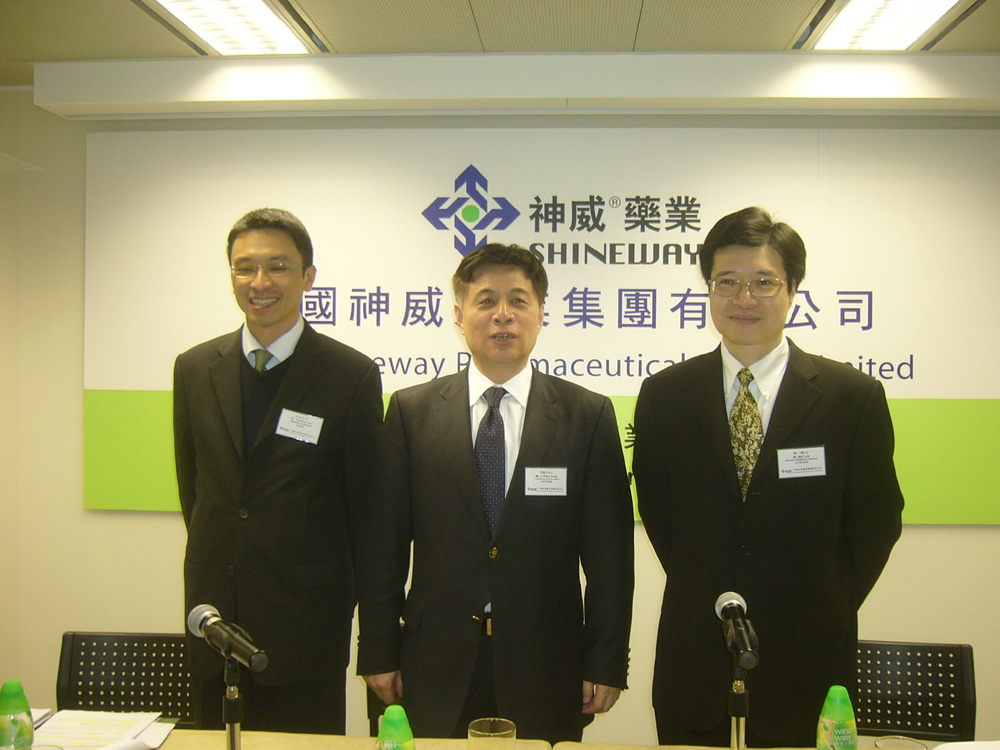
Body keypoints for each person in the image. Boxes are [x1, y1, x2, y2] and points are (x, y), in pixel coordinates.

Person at [632, 206, 904, 747]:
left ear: (793, 289)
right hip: (696, 661)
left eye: (763, 282)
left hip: (808, 660)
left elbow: (876, 523)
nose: (744, 298)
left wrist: (821, 601)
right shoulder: (665, 396)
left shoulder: (851, 398)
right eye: (726, 281)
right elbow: (661, 517)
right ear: (709, 290)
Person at [357, 243, 634, 743]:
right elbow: (383, 548)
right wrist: (378, 651)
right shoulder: (411, 412)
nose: (503, 315)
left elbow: (610, 558)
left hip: (547, 665)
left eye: (519, 301)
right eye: (486, 301)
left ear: (541, 314)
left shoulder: (586, 416)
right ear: (459, 315)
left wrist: (606, 660)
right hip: (434, 662)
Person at [173, 207, 383, 733]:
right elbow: (195, 493)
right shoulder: (194, 368)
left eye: (277, 266)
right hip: (213, 627)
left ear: (308, 276)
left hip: (304, 639)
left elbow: (367, 516)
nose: (259, 282)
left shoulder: (350, 376)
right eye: (244, 268)